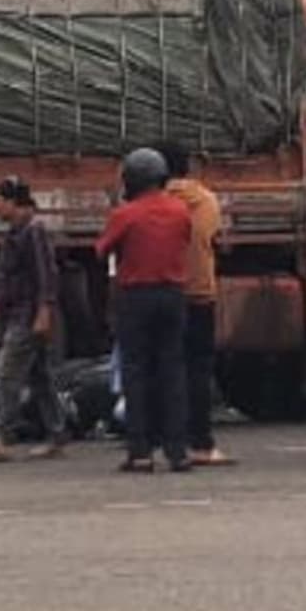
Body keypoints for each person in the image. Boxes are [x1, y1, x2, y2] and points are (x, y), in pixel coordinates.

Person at [96, 149, 193, 474]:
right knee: (172, 372)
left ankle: (140, 452)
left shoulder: (126, 214)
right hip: (173, 295)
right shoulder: (180, 211)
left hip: (136, 296)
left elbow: (102, 250)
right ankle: (178, 451)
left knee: (135, 372)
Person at [0, 177, 69, 462]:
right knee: (40, 377)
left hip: (27, 316)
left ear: (14, 203)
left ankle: (5, 437)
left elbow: (46, 275)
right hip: (17, 312)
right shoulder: (17, 233)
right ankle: (56, 434)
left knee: (7, 374)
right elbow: (8, 278)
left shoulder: (33, 232)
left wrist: (44, 312)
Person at [156, 143, 235, 467]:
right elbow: (215, 238)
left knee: (164, 367)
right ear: (188, 166)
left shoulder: (151, 202)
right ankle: (201, 443)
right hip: (200, 291)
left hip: (163, 290)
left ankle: (166, 441)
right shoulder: (205, 199)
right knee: (198, 369)